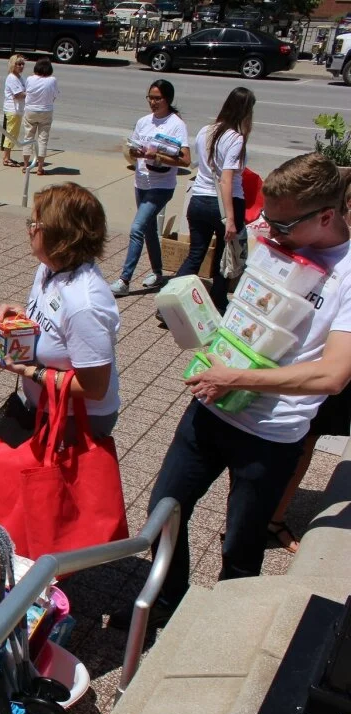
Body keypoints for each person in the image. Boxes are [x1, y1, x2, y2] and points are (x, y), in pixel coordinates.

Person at [124, 153, 351, 630]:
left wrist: (236, 378)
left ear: (326, 217)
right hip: (211, 407)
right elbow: (247, 317)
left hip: (271, 435)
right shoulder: (275, 236)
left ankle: (215, 633)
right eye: (266, 217)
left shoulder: (348, 275)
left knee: (240, 551)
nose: (269, 231)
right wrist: (197, 321)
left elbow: (332, 376)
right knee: (165, 512)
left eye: (282, 224)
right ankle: (168, 605)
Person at [0, 182, 120, 440]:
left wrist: (29, 372)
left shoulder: (85, 303)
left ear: (61, 234)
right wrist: (21, 318)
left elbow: (94, 387)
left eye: (35, 224)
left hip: (77, 421)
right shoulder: (49, 269)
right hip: (43, 407)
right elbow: (55, 324)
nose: (29, 230)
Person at [264, 174, 351, 554]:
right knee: (293, 435)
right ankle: (259, 512)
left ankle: (273, 519)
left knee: (309, 439)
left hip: (342, 360)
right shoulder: (325, 236)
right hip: (314, 351)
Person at [175, 87, 255, 314]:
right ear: (246, 111)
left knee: (196, 254)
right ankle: (218, 301)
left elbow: (201, 166)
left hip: (198, 199)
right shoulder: (236, 139)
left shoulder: (206, 131)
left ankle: (170, 302)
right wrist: (230, 218)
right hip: (224, 205)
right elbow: (226, 180)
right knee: (224, 256)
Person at [110, 80, 190, 296]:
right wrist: (134, 152)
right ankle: (158, 273)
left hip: (161, 185)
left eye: (157, 98)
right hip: (141, 181)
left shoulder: (176, 124)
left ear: (168, 100)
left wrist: (159, 156)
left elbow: (185, 160)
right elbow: (133, 148)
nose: (153, 102)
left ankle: (124, 281)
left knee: (137, 228)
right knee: (148, 229)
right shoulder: (143, 122)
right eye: (150, 98)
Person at [20, 58, 58, 176]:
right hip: (46, 111)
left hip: (30, 110)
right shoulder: (52, 80)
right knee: (43, 139)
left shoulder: (30, 79)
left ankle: (26, 165)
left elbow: (27, 92)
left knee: (28, 137)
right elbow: (55, 96)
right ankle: (40, 167)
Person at [1, 54, 27, 169]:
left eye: (22, 64)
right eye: (18, 64)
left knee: (13, 134)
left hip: (19, 110)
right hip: (13, 109)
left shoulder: (20, 78)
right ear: (13, 65)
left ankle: (8, 156)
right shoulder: (12, 78)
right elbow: (18, 94)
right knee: (11, 133)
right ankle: (6, 158)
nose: (21, 66)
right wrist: (31, 94)